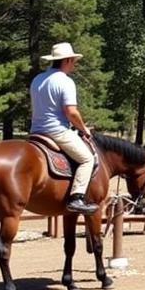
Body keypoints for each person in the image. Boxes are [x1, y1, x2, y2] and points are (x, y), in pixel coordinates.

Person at [29, 41, 99, 215]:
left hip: (36, 131)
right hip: (57, 131)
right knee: (87, 159)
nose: (74, 65)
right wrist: (84, 129)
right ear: (67, 60)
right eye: (73, 61)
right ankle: (76, 198)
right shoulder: (65, 81)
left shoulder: (37, 79)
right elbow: (71, 112)